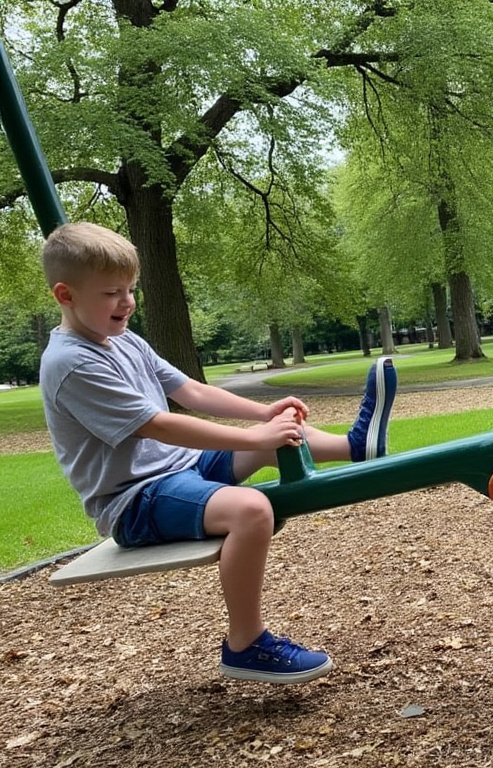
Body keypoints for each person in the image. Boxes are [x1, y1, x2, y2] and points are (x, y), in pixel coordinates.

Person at [39, 222, 398, 683]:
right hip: (133, 500)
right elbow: (159, 424)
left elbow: (189, 390)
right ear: (65, 295)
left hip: (177, 471)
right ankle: (246, 644)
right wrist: (255, 438)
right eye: (112, 293)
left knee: (275, 435)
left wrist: (264, 412)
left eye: (131, 289)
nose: (126, 302)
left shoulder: (125, 339)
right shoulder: (72, 363)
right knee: (252, 509)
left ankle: (355, 448)